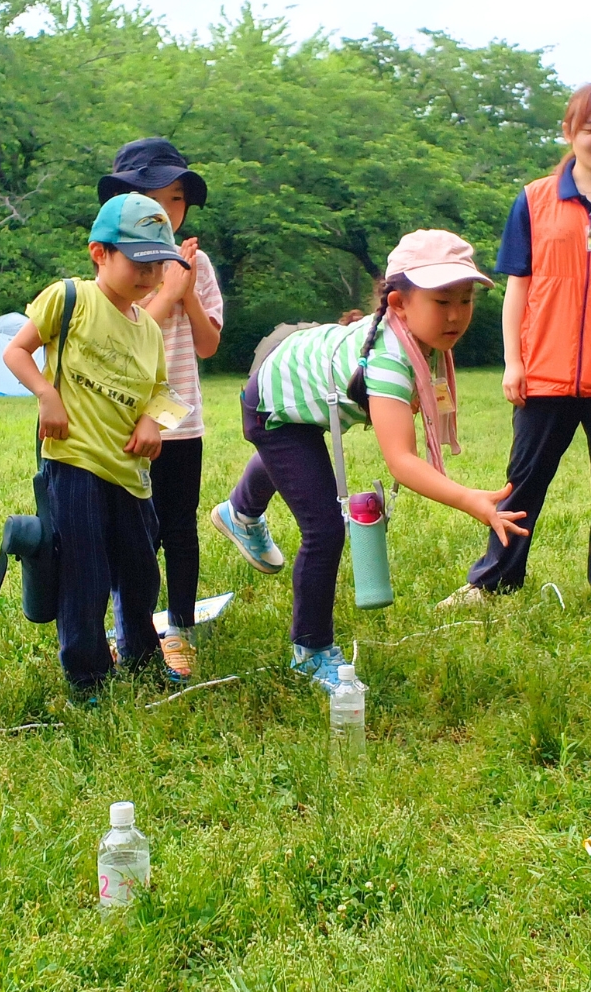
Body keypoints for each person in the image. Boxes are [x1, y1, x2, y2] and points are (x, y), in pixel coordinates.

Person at [208, 231, 526, 688]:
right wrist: (467, 499)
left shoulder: (421, 342)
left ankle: (240, 508)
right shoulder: (389, 359)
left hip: (303, 389)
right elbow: (401, 461)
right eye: (441, 301)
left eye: (465, 299)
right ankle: (310, 649)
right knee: (325, 527)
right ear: (398, 304)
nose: (456, 314)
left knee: (297, 455)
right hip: (271, 403)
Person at [443, 81, 591, 619]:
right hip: (544, 371)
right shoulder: (534, 200)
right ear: (569, 132)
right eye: (590, 128)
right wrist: (513, 360)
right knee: (522, 480)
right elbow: (517, 288)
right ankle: (494, 581)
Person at [3, 195, 184, 692]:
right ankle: (88, 678)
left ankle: (142, 661)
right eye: (138, 261)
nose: (149, 275)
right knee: (84, 572)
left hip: (129, 472)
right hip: (75, 460)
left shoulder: (148, 328)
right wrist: (46, 395)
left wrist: (153, 421)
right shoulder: (71, 299)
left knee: (141, 573)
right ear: (99, 252)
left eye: (159, 264)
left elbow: (164, 391)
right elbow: (17, 351)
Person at [99, 139, 224, 681]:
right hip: (124, 417)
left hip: (179, 413)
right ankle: (131, 629)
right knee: (129, 528)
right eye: (151, 198)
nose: (165, 211)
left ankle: (180, 629)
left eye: (175, 199)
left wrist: (189, 287)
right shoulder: (116, 263)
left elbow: (207, 345)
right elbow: (125, 331)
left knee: (179, 525)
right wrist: (170, 288)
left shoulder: (200, 264)